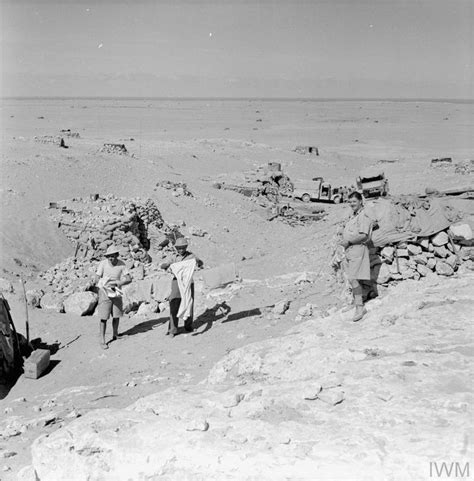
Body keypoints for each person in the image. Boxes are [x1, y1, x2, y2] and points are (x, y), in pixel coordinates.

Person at [339, 191, 372, 322]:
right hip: (350, 250)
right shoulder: (354, 216)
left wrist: (349, 241)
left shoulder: (363, 216)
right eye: (350, 202)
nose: (352, 204)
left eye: (354, 201)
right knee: (351, 278)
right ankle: (355, 302)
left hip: (357, 249)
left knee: (353, 278)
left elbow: (364, 235)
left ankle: (360, 307)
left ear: (360, 201)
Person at [160, 238, 203, 337]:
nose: (181, 250)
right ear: (176, 248)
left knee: (189, 302)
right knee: (174, 302)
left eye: (183, 248)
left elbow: (201, 264)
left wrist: (198, 261)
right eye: (179, 248)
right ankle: (173, 329)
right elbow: (163, 266)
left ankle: (188, 326)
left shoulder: (191, 256)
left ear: (186, 247)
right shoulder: (173, 257)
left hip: (188, 281)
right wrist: (166, 265)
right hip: (176, 281)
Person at [94, 245, 132, 349]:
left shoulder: (122, 264)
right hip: (105, 291)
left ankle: (115, 334)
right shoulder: (103, 264)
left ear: (117, 255)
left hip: (116, 291)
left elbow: (129, 278)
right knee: (104, 317)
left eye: (112, 256)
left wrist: (119, 282)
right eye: (108, 256)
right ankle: (102, 340)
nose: (110, 258)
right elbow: (97, 278)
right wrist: (103, 283)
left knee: (116, 314)